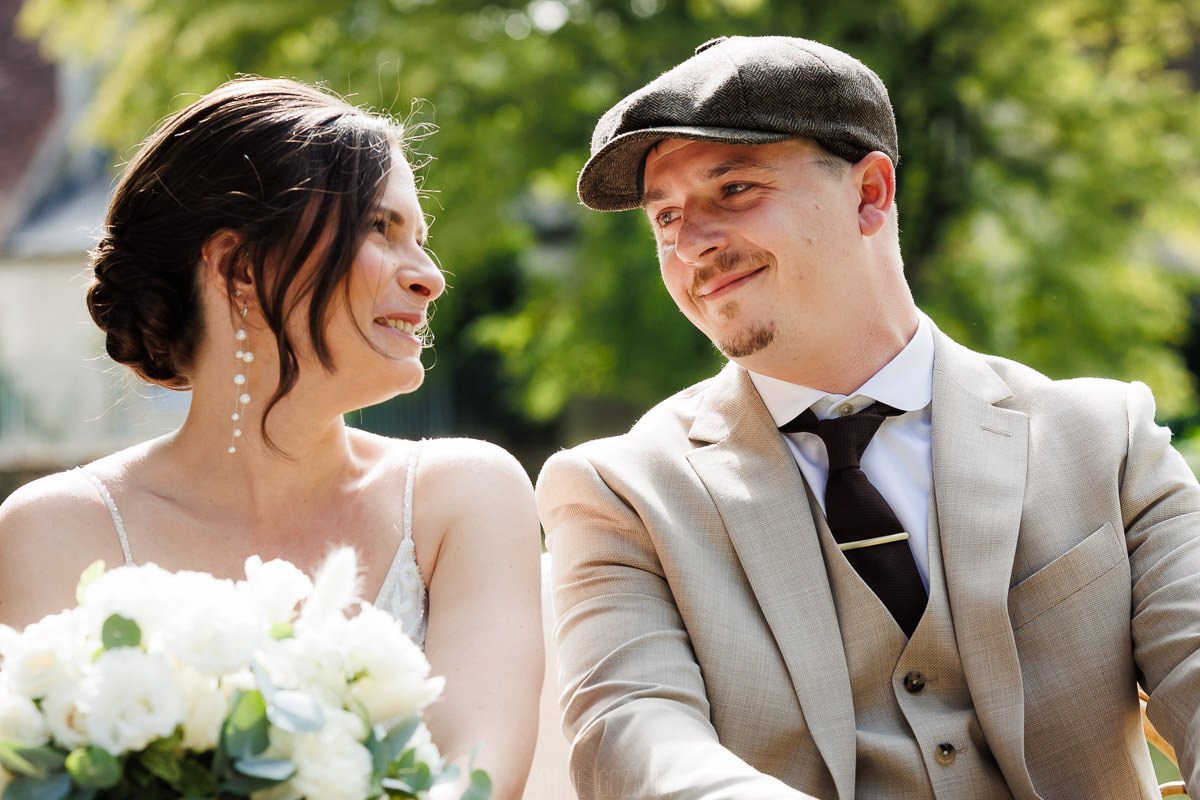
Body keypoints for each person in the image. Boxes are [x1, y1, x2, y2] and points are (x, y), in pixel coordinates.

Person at [537, 34, 1200, 799]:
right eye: (665, 219)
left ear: (871, 193)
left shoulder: (1105, 438)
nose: (692, 244)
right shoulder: (621, 494)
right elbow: (636, 740)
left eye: (736, 191)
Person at [0, 77, 543, 799]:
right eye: (380, 229)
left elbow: (476, 781)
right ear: (238, 267)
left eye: (421, 237)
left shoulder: (467, 497)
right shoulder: (53, 531)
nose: (430, 278)